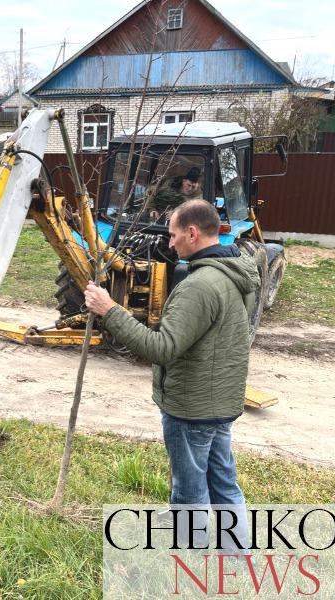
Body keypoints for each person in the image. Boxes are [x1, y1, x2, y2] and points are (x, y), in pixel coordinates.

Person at [85, 200, 258, 549]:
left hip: (191, 409)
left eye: (173, 234)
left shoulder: (199, 286)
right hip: (219, 403)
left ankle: (190, 555)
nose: (169, 242)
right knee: (223, 481)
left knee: (189, 487)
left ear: (192, 233)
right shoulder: (236, 272)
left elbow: (162, 348)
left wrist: (111, 311)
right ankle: (237, 552)